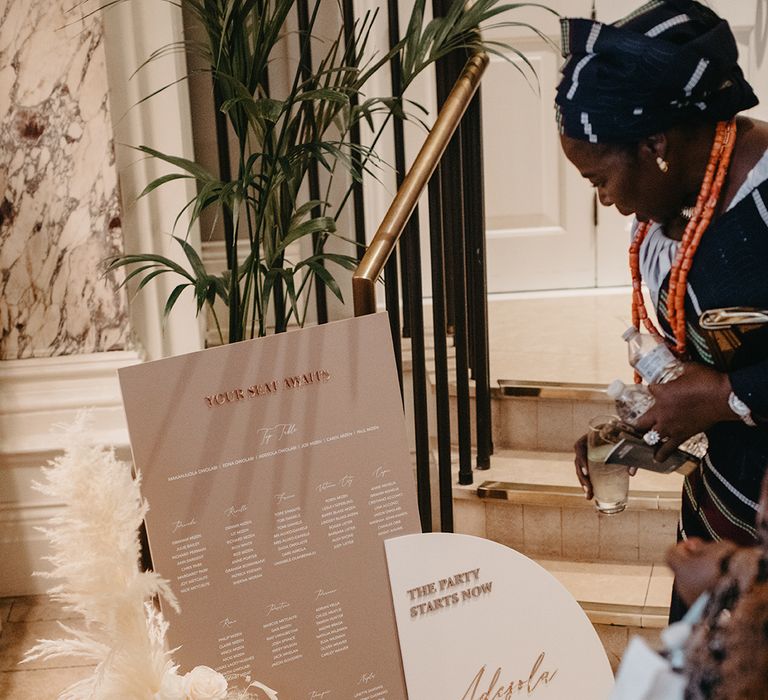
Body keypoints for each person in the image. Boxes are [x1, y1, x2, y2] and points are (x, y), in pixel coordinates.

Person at [555, 0, 768, 622]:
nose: (605, 201)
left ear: (655, 144)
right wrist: (647, 425)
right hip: (720, 519)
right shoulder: (670, 209)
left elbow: (724, 381)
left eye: (599, 180)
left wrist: (726, 395)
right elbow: (697, 357)